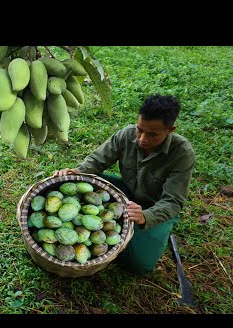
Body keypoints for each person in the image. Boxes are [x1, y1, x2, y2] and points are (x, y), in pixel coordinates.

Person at [54, 94, 196, 275]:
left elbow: (174, 201)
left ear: (170, 129)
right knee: (77, 187)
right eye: (140, 130)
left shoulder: (182, 153)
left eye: (152, 134)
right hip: (126, 191)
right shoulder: (126, 135)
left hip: (155, 206)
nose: (143, 139)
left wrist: (145, 216)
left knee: (139, 265)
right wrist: (76, 172)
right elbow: (96, 162)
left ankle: (157, 232)